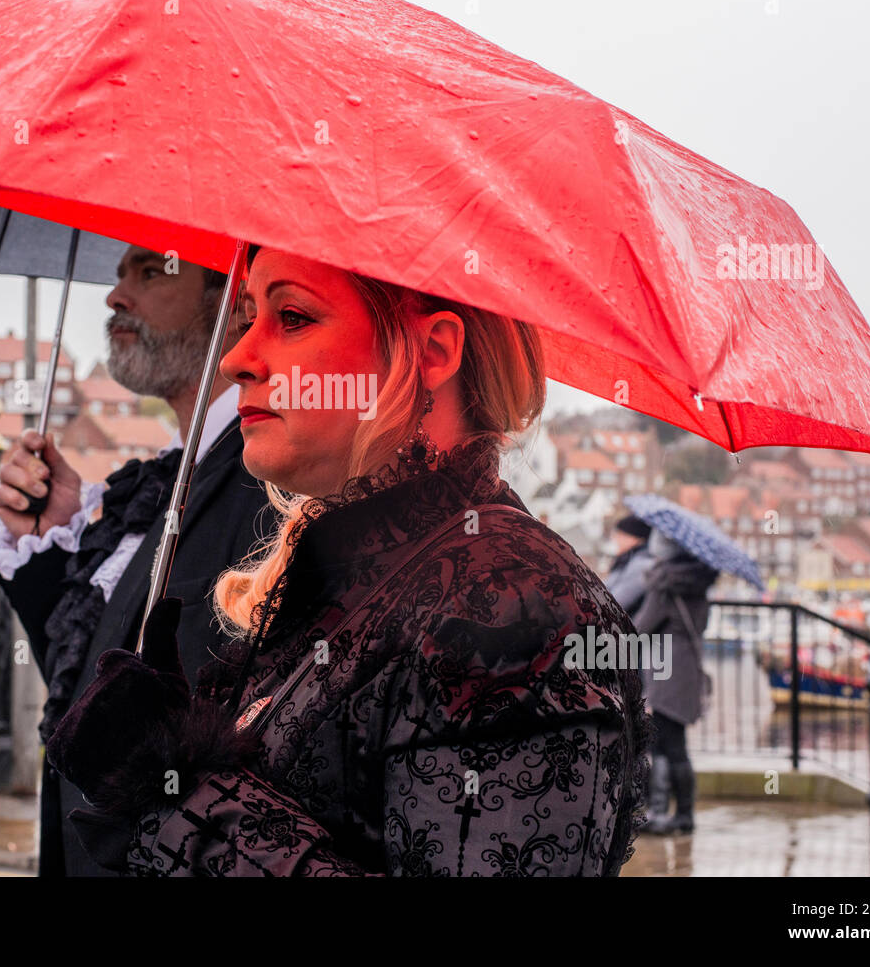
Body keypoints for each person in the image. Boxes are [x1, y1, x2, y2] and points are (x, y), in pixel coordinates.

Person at [43, 244, 651, 876]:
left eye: (294, 318)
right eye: (249, 316)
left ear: (432, 353)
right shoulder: (345, 578)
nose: (238, 358)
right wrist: (179, 742)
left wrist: (170, 795)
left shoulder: (517, 606)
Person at [0, 245, 271, 877]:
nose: (115, 296)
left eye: (152, 271)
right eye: (118, 274)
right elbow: (99, 689)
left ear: (234, 302)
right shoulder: (161, 481)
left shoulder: (264, 480)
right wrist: (51, 542)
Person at [631, 529, 719, 835]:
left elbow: (641, 626)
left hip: (666, 671)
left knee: (665, 745)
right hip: (688, 669)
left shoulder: (664, 583)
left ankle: (673, 815)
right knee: (674, 743)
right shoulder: (698, 581)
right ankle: (679, 814)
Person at [603, 513, 654, 619]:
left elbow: (616, 602)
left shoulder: (641, 565)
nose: (615, 538)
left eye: (620, 534)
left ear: (635, 539)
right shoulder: (627, 559)